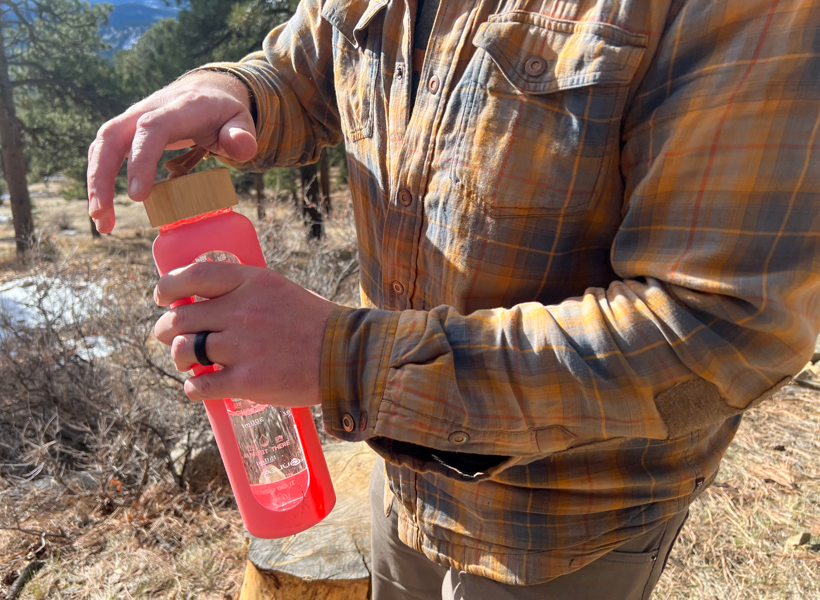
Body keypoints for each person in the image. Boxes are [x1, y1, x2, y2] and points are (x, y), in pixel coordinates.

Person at [87, 0, 820, 597]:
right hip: (404, 474)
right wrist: (240, 89)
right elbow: (311, 62)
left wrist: (344, 359)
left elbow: (724, 333)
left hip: (567, 526)